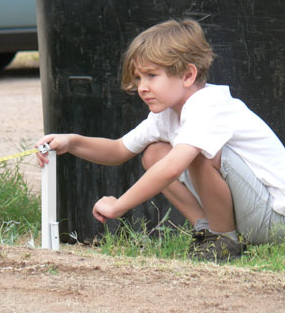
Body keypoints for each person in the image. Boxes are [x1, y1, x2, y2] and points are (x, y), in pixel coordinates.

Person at [36, 18, 285, 261]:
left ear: (188, 75)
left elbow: (173, 167)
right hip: (251, 213)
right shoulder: (166, 115)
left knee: (195, 154)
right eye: (138, 78)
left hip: (275, 220)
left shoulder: (208, 105)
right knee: (154, 154)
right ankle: (208, 231)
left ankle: (224, 240)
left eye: (152, 76)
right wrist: (71, 142)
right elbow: (118, 150)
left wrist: (119, 206)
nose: (142, 87)